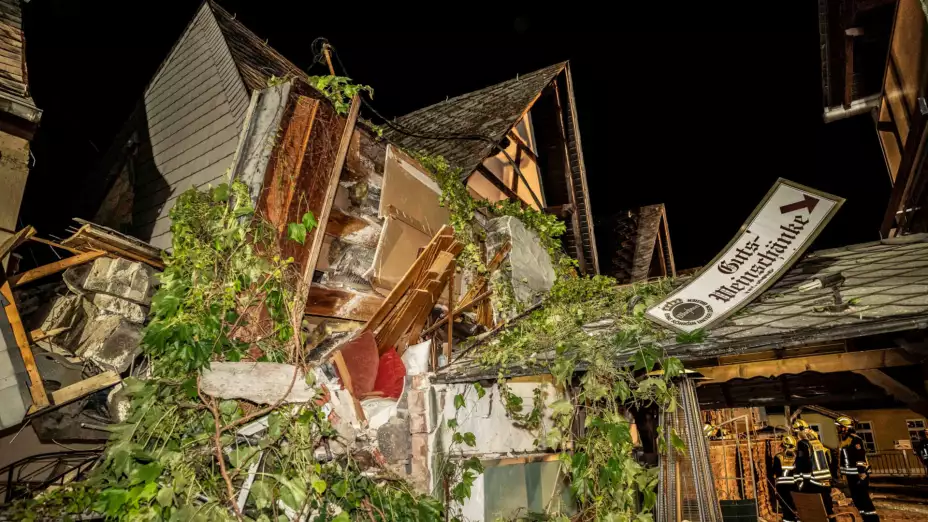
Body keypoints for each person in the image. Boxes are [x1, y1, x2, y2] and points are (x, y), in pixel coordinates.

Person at [835, 416, 879, 522]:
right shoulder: (844, 440)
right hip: (851, 475)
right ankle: (865, 518)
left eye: (839, 427)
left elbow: (860, 457)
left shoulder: (855, 439)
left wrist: (861, 473)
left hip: (859, 475)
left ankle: (872, 520)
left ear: (846, 427)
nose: (838, 429)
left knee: (864, 499)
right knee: (857, 499)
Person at [793, 419, 834, 515]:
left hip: (813, 482)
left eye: (795, 432)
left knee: (814, 511)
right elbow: (828, 460)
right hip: (825, 481)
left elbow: (802, 463)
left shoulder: (802, 444)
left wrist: (801, 483)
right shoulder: (817, 443)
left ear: (799, 431)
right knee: (827, 510)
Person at [771, 434, 800, 522]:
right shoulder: (797, 456)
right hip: (795, 485)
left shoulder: (778, 456)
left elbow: (774, 471)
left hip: (782, 486)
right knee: (797, 505)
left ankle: (788, 519)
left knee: (786, 506)